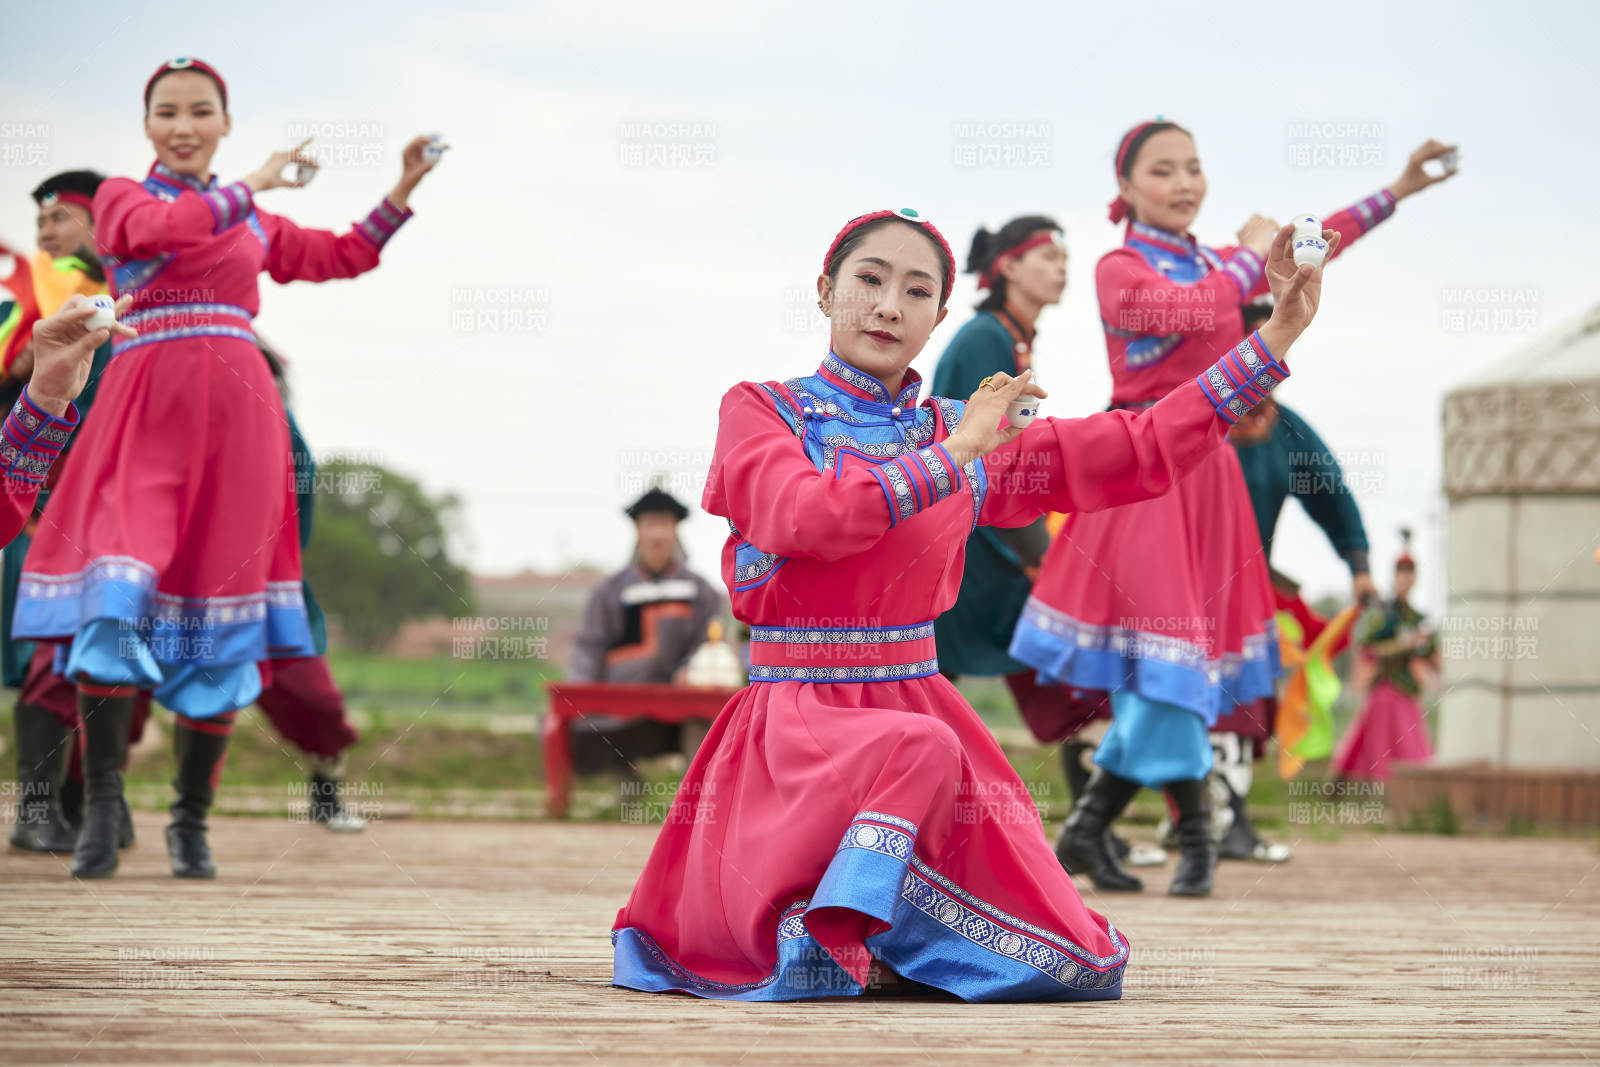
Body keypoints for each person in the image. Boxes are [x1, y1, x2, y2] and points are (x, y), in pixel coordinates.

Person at [610, 204, 1329, 1001]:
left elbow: (1138, 446)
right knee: (915, 752)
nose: (889, 304)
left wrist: (1273, 343)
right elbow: (805, 516)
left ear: (937, 318)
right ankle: (840, 929)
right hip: (797, 726)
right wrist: (954, 455)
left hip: (920, 705)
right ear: (825, 290)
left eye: (917, 291)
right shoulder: (764, 410)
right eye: (870, 279)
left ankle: (881, 935)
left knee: (1076, 959)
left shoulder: (966, 430)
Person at [12, 57, 433, 879]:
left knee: (221, 612)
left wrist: (403, 188)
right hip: (145, 412)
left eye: (200, 110)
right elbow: (155, 237)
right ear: (147, 127)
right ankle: (101, 800)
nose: (183, 124)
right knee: (115, 597)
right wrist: (255, 181)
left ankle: (190, 819)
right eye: (166, 111)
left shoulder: (253, 223)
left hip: (241, 426)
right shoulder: (125, 200)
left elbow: (341, 254)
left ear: (223, 121)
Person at [1010, 119, 1455, 897]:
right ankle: (1188, 832)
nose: (1184, 182)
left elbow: (1317, 245)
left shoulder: (1221, 263)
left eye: (1193, 166)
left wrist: (1401, 189)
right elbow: (1185, 312)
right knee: (1172, 667)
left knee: (1181, 671)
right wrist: (1253, 256)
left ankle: (1101, 826)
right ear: (1124, 188)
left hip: (1207, 477)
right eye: (1162, 170)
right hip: (1142, 472)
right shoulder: (1121, 268)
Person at [567, 486, 724, 776]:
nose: (658, 535)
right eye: (651, 524)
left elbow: (709, 642)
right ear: (638, 529)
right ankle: (626, 789)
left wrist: (691, 669)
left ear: (676, 529)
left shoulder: (702, 593)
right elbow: (590, 646)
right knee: (574, 728)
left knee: (705, 722)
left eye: (665, 524)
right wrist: (582, 694)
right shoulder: (609, 592)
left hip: (680, 705)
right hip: (619, 703)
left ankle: (695, 803)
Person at [1333, 531, 1436, 781]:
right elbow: (1368, 651)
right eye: (1401, 574)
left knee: (1412, 744)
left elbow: (1430, 654)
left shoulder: (1417, 618)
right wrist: (1404, 644)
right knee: (1376, 744)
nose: (1405, 580)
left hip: (1407, 687)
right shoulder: (1382, 614)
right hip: (1385, 686)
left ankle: (1408, 790)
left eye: (1410, 574)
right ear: (1395, 578)